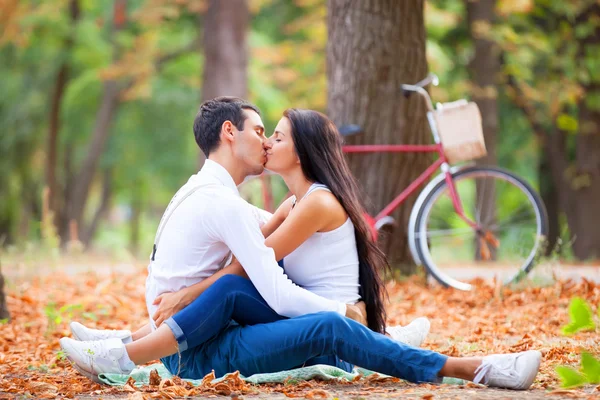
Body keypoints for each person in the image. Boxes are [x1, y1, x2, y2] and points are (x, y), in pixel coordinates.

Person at [60, 104, 542, 390]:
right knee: (246, 298)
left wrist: (188, 295)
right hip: (272, 324)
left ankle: (474, 369)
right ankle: (124, 348)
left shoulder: (310, 202)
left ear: (302, 149)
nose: (267, 142)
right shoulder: (288, 203)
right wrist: (188, 296)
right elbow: (249, 262)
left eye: (277, 136)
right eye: (263, 132)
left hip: (300, 321)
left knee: (326, 323)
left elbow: (256, 268)